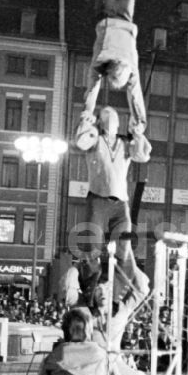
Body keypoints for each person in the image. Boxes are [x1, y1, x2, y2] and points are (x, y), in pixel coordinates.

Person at [74, 106, 150, 305]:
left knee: (123, 250)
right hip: (97, 200)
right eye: (107, 119)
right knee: (93, 249)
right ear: (100, 122)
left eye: (114, 119)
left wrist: (138, 134)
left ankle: (116, 297)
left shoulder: (125, 143)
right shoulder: (95, 140)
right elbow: (81, 142)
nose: (112, 122)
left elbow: (142, 156)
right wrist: (86, 123)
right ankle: (90, 297)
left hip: (120, 203)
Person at [78, 0, 147, 139]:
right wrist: (87, 113)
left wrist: (140, 122)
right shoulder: (100, 64)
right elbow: (93, 91)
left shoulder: (130, 67)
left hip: (125, 13)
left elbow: (135, 96)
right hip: (107, 12)